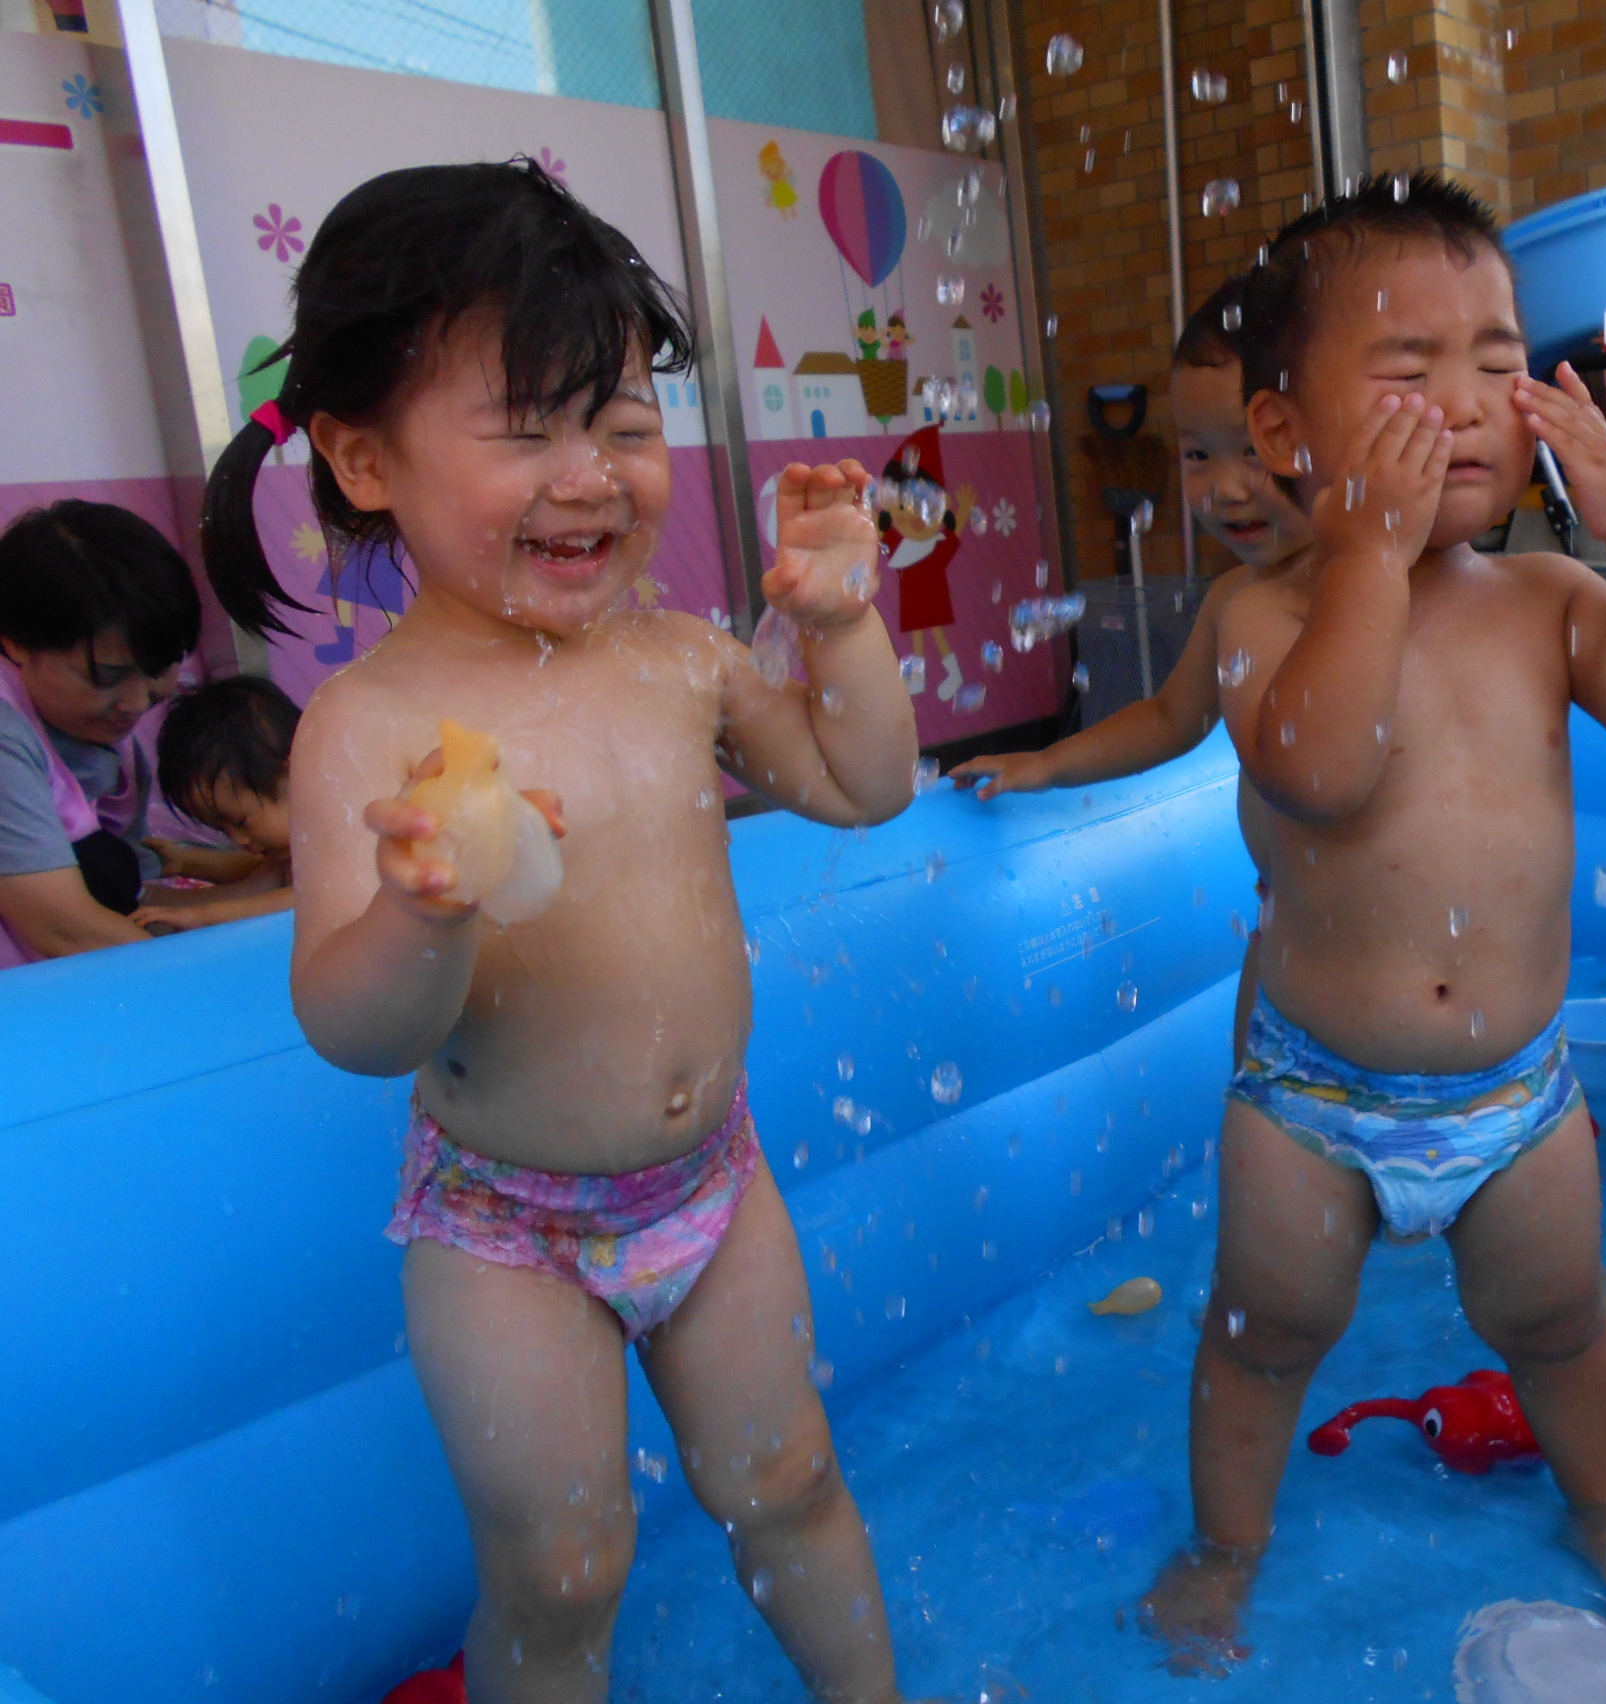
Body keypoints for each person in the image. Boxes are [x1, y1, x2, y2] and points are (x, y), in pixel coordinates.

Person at [199, 161, 920, 1704]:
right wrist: (422, 913)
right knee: (563, 1571)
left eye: (624, 424)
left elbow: (864, 787)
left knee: (790, 1480)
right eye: (527, 430)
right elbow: (357, 1029)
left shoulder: (682, 659)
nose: (591, 475)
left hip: (713, 1183)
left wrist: (843, 628)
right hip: (504, 1229)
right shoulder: (364, 727)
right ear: (363, 459)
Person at [1141, 173, 1606, 1669]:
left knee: (1562, 1328)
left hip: (1516, 1101)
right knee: (1261, 1339)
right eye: (1408, 372)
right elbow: (1320, 770)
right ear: (1285, 430)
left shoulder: (1545, 598)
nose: (1468, 405)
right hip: (1312, 1102)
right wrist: (1363, 556)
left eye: (1497, 361)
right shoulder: (1270, 617)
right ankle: (1226, 1550)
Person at [950, 276, 1307, 798]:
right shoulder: (1231, 599)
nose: (1226, 489)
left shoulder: (1380, 592)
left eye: (1254, 450)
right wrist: (1049, 764)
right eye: (1198, 454)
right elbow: (1169, 718)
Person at [0, 500, 203, 966]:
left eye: (159, 668)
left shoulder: (107, 738)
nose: (136, 703)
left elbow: (129, 901)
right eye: (106, 677)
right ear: (15, 644)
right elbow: (64, 929)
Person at [131, 674, 300, 932]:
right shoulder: (284, 858)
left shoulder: (345, 831)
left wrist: (204, 916)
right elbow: (251, 891)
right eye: (223, 830)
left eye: (240, 822)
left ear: (295, 776)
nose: (239, 840)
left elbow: (307, 900)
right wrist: (172, 909)